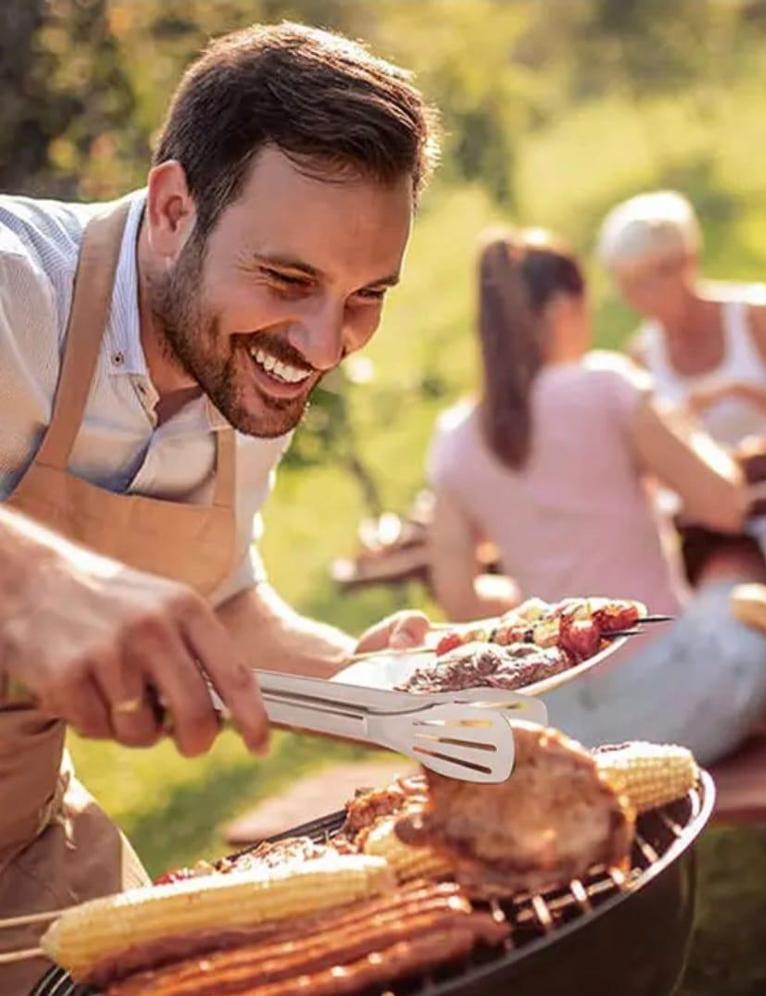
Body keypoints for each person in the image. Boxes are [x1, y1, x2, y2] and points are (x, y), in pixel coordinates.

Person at [0, 23, 438, 990]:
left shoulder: (250, 362)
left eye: (366, 295)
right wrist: (29, 584)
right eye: (288, 279)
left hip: (27, 852)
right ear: (170, 209)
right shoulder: (12, 286)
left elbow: (220, 600)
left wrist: (362, 679)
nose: (325, 345)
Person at [426, 228, 766, 760]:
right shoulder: (606, 386)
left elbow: (458, 597)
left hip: (568, 730)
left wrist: (541, 593)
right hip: (677, 705)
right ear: (564, 309)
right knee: (738, 563)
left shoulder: (455, 439)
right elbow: (725, 504)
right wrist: (685, 422)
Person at [596, 190, 766, 583]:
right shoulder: (640, 356)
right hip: (712, 528)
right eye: (628, 286)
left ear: (686, 263)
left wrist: (739, 392)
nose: (639, 299)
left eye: (648, 280)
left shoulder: (751, 314)